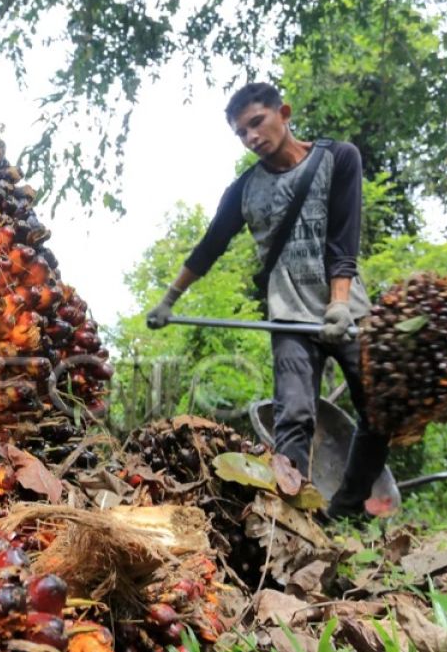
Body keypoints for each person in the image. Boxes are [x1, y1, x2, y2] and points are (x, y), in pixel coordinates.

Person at [144, 82, 388, 520]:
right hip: (289, 320)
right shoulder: (244, 190)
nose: (252, 137)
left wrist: (338, 304)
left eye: (257, 123)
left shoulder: (339, 158)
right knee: (293, 415)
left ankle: (346, 509)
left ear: (284, 113)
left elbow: (342, 239)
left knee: (380, 410)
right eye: (242, 133)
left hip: (348, 312)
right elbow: (209, 247)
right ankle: (295, 517)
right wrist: (168, 300)